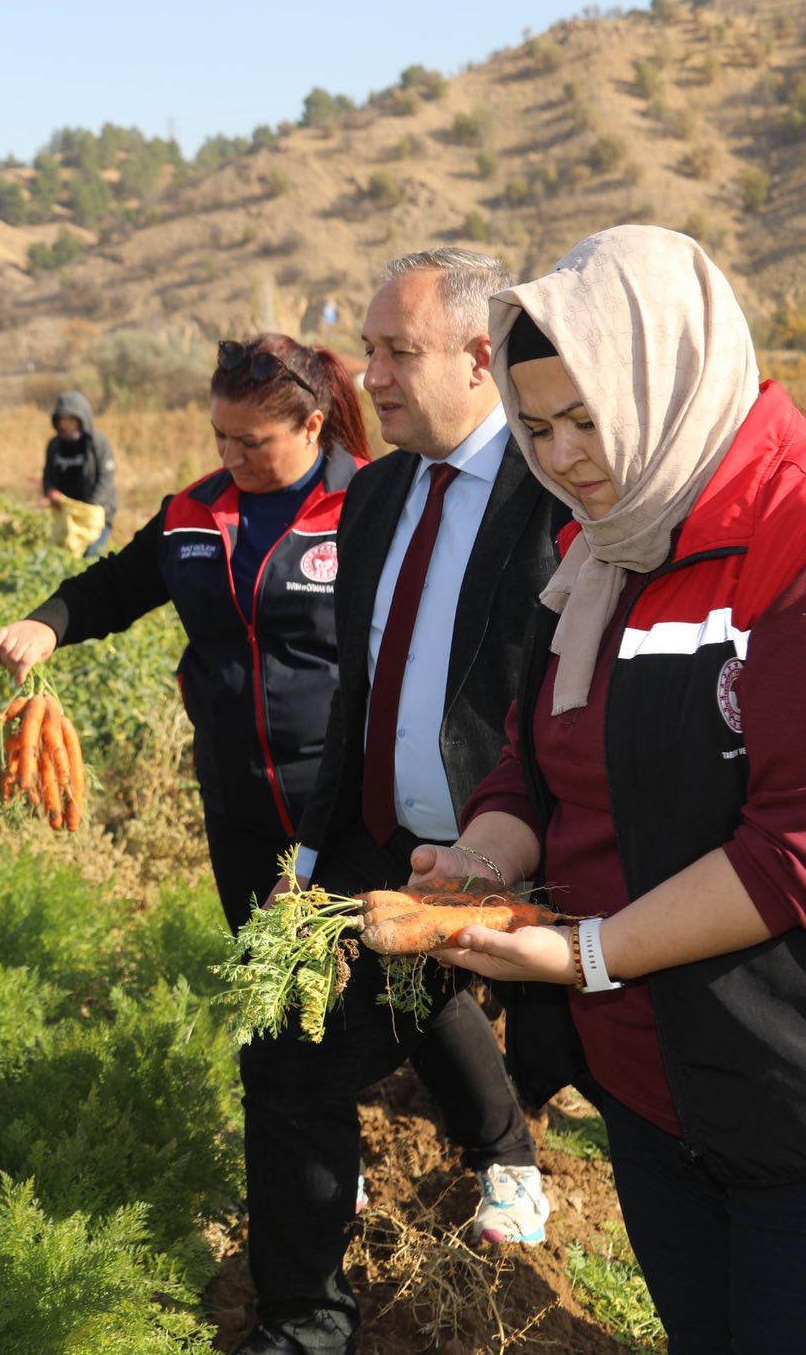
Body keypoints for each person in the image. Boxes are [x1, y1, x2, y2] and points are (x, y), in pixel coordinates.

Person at [424, 225, 806, 1352]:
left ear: (667, 374)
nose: (567, 456)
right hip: (654, 1097)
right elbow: (532, 761)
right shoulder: (612, 542)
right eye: (535, 429)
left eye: (588, 417)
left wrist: (586, 951)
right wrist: (481, 860)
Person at [255, 248, 569, 1355]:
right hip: (371, 834)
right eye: (371, 348)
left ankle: (510, 1152)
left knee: (416, 1030)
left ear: (481, 357)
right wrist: (314, 837)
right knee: (284, 1046)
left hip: (506, 849)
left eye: (398, 351)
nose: (368, 375)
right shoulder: (380, 490)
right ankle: (305, 1317)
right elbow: (366, 680)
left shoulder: (558, 491)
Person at [0, 335, 366, 926]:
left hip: (348, 806)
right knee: (261, 986)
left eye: (251, 442)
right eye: (220, 435)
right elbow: (114, 587)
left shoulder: (371, 506)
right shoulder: (190, 514)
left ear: (311, 426)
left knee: (377, 1002)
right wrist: (47, 624)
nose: (231, 457)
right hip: (235, 802)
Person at [41, 389, 118, 558]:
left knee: (90, 559)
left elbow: (106, 478)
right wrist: (49, 490)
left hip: (97, 513)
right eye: (62, 419)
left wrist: (90, 507)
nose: (65, 424)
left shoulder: (97, 443)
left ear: (81, 419)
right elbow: (47, 474)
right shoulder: (55, 445)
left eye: (71, 419)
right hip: (69, 515)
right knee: (64, 558)